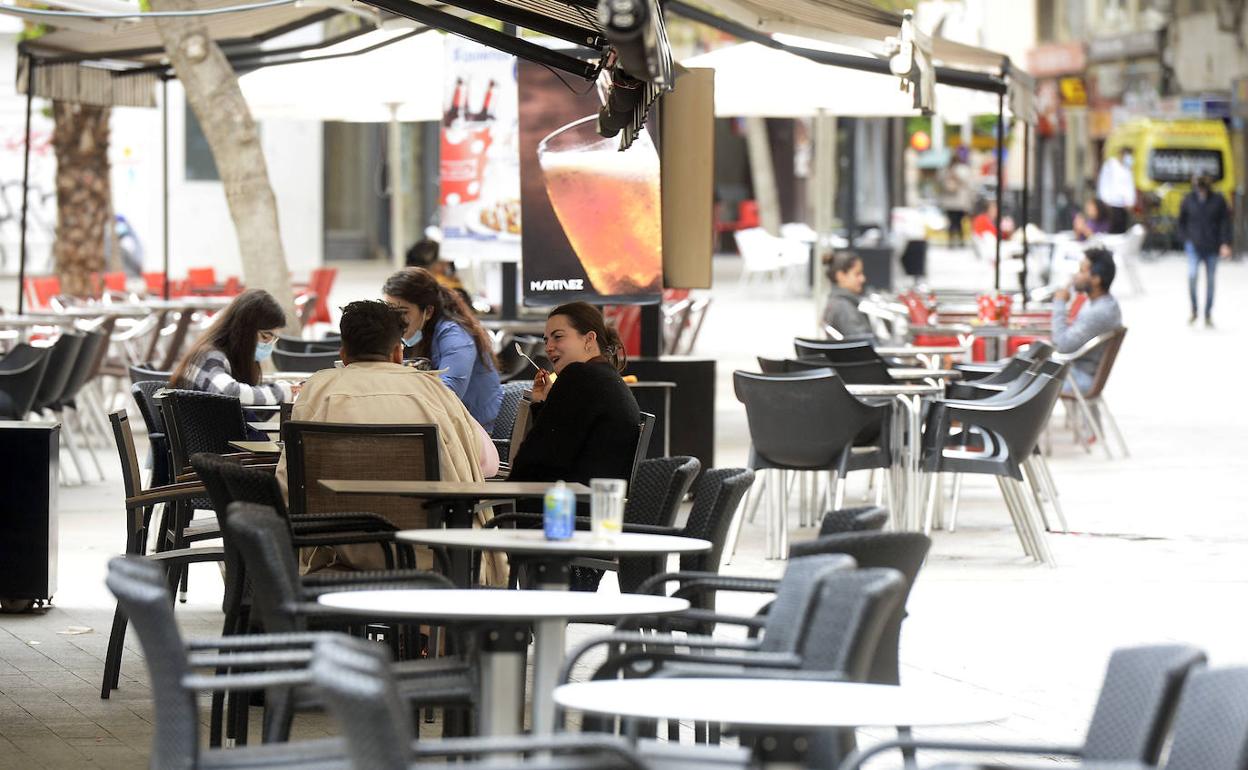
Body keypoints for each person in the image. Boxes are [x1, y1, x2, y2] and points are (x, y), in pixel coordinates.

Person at [274, 300, 500, 575]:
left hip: (341, 552)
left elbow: (289, 484)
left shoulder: (317, 392)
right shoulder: (435, 393)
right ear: (397, 353)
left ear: (343, 355)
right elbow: (485, 463)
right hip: (432, 554)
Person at [509, 301, 641, 489]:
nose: (548, 347)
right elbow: (558, 444)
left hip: (564, 508)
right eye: (546, 340)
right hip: (593, 505)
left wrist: (501, 496)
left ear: (589, 339)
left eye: (558, 337)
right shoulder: (606, 377)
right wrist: (542, 403)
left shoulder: (579, 375)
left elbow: (533, 459)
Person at [383, 267, 503, 432]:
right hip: (449, 426)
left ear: (429, 311)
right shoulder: (424, 331)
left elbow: (448, 395)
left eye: (403, 312)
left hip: (478, 434)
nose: (396, 320)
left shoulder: (456, 336)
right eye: (390, 312)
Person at [169, 288, 297, 406]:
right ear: (244, 329)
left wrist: (281, 390)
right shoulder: (210, 357)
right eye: (265, 337)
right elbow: (229, 393)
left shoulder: (228, 357)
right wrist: (280, 392)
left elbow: (247, 409)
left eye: (273, 339)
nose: (268, 345)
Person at [1051, 247, 1122, 394]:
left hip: (1078, 377)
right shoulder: (1100, 303)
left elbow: (1062, 345)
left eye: (1082, 271)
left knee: (1025, 377)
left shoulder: (1099, 312)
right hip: (1077, 370)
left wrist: (1059, 303)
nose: (1075, 276)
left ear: (1096, 279)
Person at [1178, 174, 1232, 327]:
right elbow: (1181, 221)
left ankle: (1207, 313)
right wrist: (1185, 239)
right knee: (1192, 276)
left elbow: (1225, 223)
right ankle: (1194, 310)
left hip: (1212, 246)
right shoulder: (1189, 199)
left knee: (1210, 281)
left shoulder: (1218, 200)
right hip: (1193, 245)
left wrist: (1225, 243)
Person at [821, 251, 874, 340]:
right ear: (840, 276)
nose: (863, 279)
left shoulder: (835, 302)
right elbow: (863, 345)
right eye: (857, 274)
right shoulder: (844, 308)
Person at [1097, 147, 1136, 234]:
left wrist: (1130, 202)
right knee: (1112, 228)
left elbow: (1129, 187)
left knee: (1122, 229)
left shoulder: (1127, 169)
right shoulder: (1111, 165)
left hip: (1123, 206)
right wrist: (1105, 200)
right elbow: (1104, 183)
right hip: (1112, 204)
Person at [940, 152, 974, 248]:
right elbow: (969, 185)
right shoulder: (961, 170)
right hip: (958, 202)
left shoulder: (947, 170)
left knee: (953, 222)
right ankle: (958, 241)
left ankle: (953, 241)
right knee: (957, 222)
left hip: (952, 202)